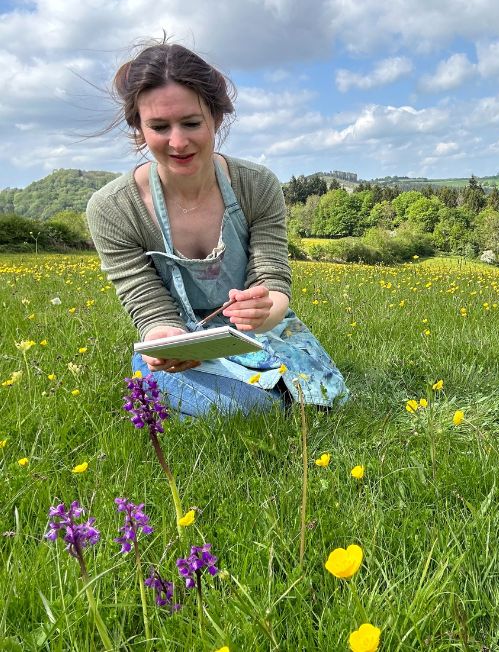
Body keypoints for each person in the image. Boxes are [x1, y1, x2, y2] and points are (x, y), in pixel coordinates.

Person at [86, 41, 348, 416]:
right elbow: (147, 306)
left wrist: (266, 309)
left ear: (216, 118)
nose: (178, 142)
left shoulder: (256, 185)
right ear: (139, 128)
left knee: (324, 399)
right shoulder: (113, 209)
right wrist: (166, 339)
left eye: (191, 123)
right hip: (183, 350)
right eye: (159, 127)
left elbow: (272, 278)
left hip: (261, 333)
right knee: (251, 409)